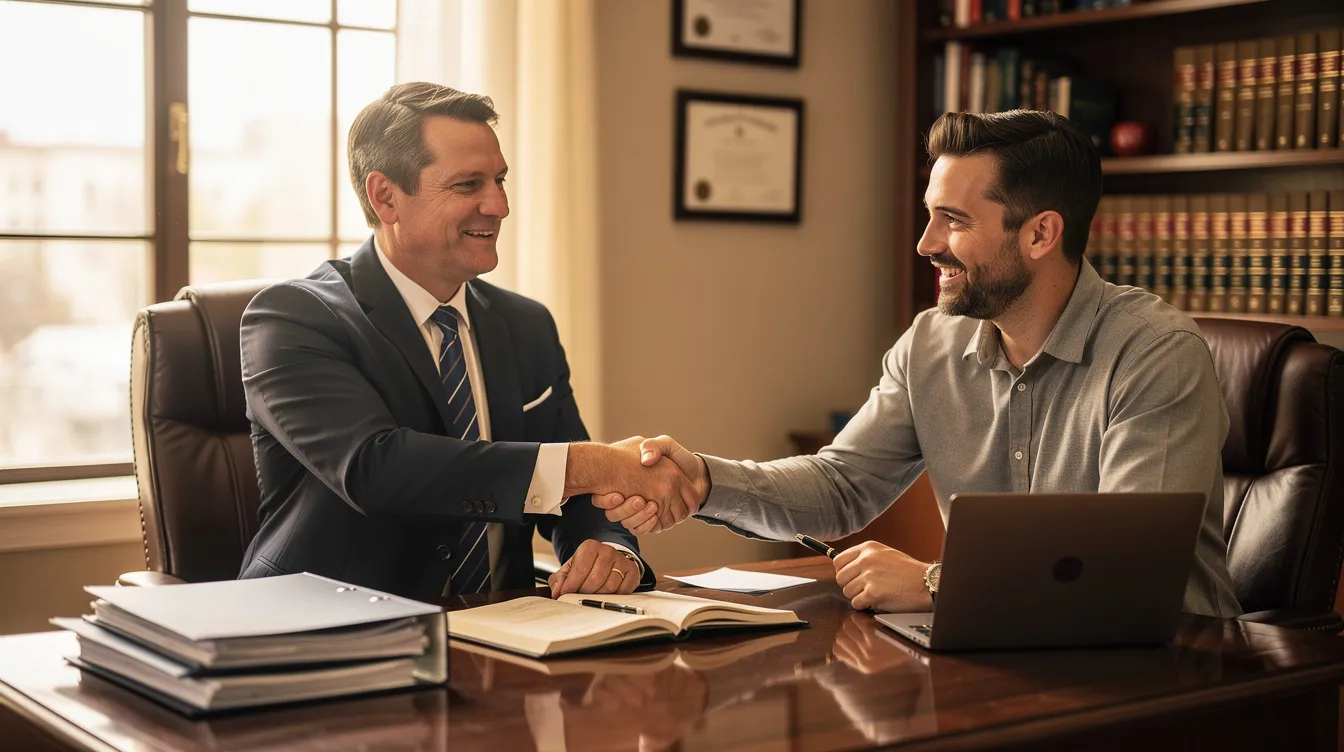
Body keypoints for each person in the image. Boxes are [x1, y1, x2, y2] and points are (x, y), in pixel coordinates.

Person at [599, 109, 1242, 619]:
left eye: (953, 221)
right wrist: (705, 481)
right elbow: (843, 485)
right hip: (1004, 661)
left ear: (1042, 234)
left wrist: (940, 583)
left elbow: (1126, 575)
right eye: (929, 215)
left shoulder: (1155, 353)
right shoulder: (931, 344)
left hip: (1169, 673)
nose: (925, 244)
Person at [238, 82, 697, 603]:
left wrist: (609, 548)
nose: (499, 205)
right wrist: (594, 462)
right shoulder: (292, 318)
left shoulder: (526, 325)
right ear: (385, 196)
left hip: (512, 634)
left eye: (500, 180)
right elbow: (376, 468)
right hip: (331, 636)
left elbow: (579, 500)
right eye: (468, 185)